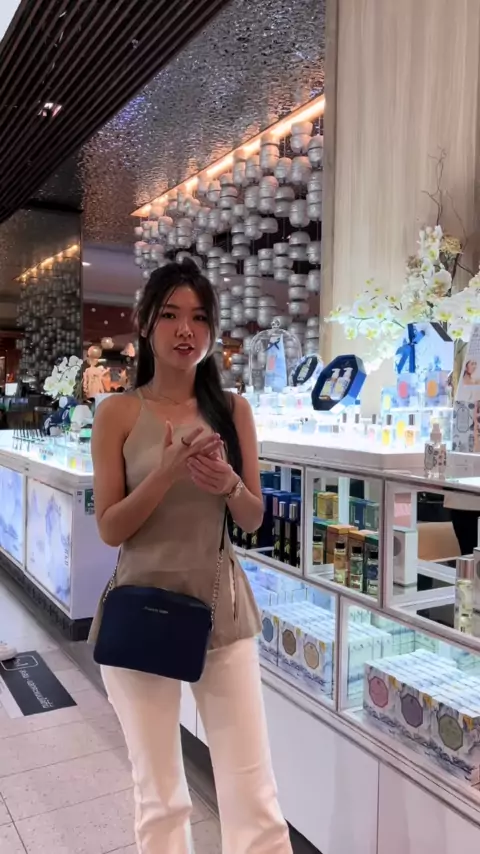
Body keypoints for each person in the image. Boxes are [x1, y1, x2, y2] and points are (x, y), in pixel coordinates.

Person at [89, 260, 292, 854]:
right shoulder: (118, 413)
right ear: (146, 323)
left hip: (221, 613)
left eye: (200, 318)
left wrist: (229, 484)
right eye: (171, 315)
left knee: (253, 794)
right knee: (161, 798)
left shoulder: (233, 411)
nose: (186, 330)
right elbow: (110, 527)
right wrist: (166, 472)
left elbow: (252, 518)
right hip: (139, 610)